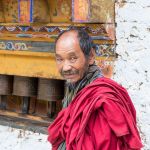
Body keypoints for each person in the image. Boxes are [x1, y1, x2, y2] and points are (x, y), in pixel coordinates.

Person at [48, 27, 143, 150]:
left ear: (91, 56)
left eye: (72, 58)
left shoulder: (103, 100)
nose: (65, 67)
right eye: (60, 59)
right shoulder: (75, 86)